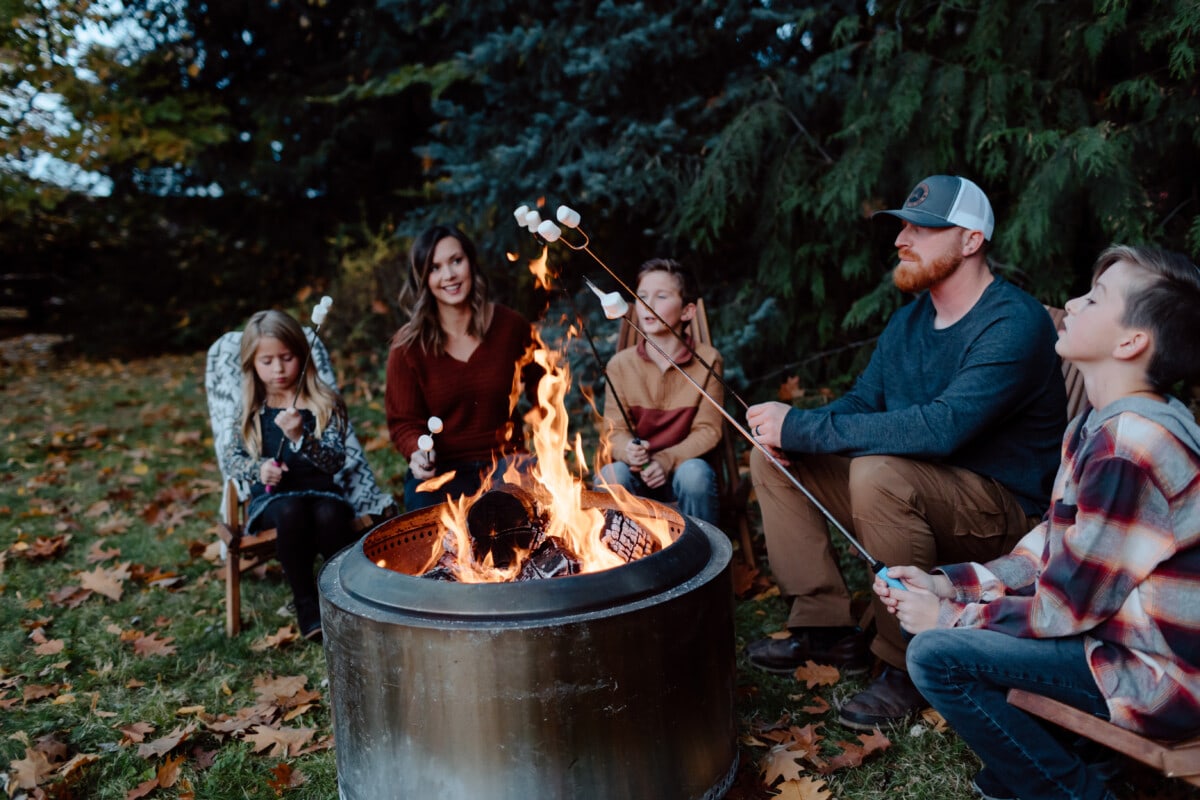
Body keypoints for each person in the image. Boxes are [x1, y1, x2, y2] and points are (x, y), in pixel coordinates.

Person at [743, 175, 1068, 730]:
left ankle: (905, 665)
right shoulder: (909, 321)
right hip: (915, 492)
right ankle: (825, 628)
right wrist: (791, 431)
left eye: (922, 228)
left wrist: (804, 426)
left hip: (1002, 515)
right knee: (772, 458)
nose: (901, 239)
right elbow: (863, 402)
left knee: (876, 473)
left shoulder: (1013, 321)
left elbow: (945, 428)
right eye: (902, 227)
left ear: (970, 241)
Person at [878, 244, 1200, 800]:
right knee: (961, 661)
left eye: (1095, 298)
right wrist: (946, 583)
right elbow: (1048, 546)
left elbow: (1065, 608)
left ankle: (1076, 790)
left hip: (1158, 680)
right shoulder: (1094, 424)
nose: (1072, 303)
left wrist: (946, 617)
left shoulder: (1132, 445)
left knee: (935, 655)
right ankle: (1065, 762)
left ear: (1131, 342)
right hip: (1110, 644)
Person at [221, 310, 357, 642]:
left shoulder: (323, 403)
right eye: (267, 361)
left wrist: (301, 439)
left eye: (287, 358)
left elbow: (335, 461)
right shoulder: (251, 409)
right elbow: (232, 460)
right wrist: (259, 469)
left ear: (302, 355)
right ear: (252, 363)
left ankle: (344, 598)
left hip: (324, 493)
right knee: (291, 512)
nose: (278, 369)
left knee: (329, 515)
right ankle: (305, 601)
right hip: (273, 500)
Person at [386, 224, 541, 511]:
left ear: (470, 262)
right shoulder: (407, 346)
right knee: (428, 522)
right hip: (443, 471)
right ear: (423, 278)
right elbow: (403, 422)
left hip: (507, 462)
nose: (449, 276)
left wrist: (546, 438)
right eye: (435, 267)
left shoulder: (510, 326)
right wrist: (417, 450)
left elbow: (545, 388)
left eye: (456, 261)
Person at [597, 259, 723, 525]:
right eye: (642, 297)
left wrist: (667, 460)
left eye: (661, 296)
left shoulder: (707, 361)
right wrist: (626, 450)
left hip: (682, 468)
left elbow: (709, 430)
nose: (647, 304)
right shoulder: (620, 365)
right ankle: (626, 560)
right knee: (612, 475)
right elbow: (614, 431)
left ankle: (702, 558)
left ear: (688, 311)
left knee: (695, 474)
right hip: (637, 474)